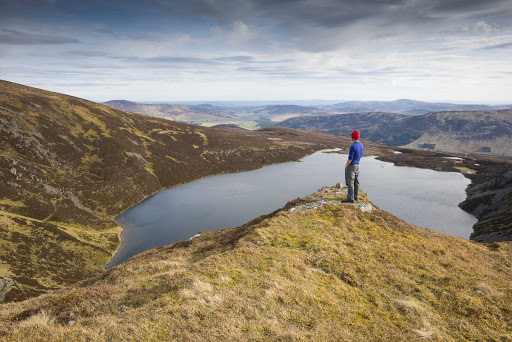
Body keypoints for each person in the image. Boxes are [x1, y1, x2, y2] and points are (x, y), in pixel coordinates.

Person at [343, 130, 363, 203]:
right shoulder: (361, 145)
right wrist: (357, 162)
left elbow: (350, 158)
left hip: (351, 166)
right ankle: (356, 196)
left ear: (353, 137)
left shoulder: (353, 146)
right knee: (356, 182)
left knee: (350, 182)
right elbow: (360, 156)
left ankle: (350, 198)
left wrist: (346, 166)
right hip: (357, 165)